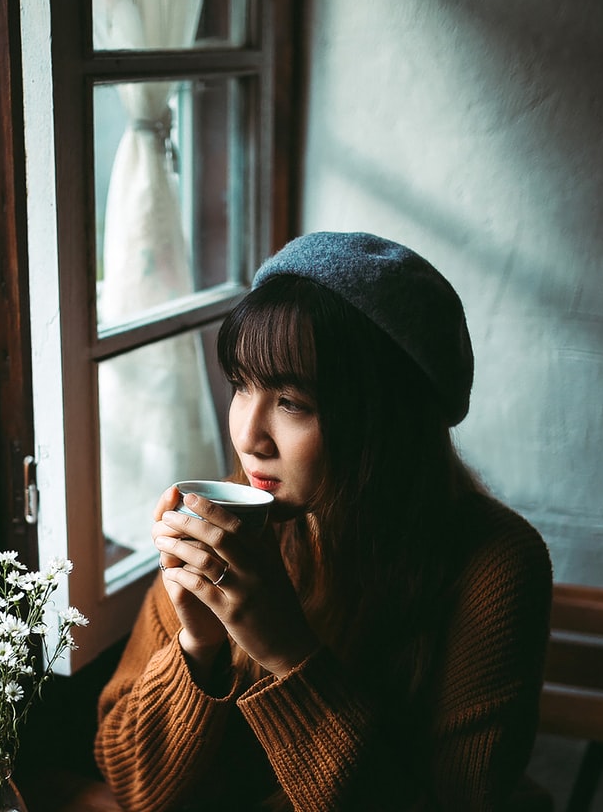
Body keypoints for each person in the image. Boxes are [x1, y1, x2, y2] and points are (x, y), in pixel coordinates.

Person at [94, 231, 553, 811]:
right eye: (241, 385)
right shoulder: (232, 519)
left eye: (292, 402)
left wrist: (288, 653)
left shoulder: (495, 564)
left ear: (384, 418)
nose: (248, 436)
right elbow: (130, 786)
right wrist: (196, 646)